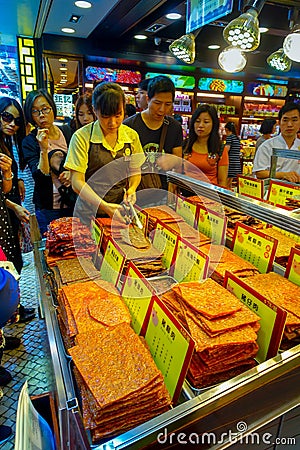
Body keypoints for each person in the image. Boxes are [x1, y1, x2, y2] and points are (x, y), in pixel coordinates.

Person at [64, 81, 145, 225]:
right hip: (88, 214)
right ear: (95, 110)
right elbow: (77, 182)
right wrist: (105, 206)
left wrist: (132, 189)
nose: (113, 123)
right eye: (106, 116)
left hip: (119, 210)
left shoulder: (131, 136)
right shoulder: (82, 137)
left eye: (118, 115)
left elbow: (135, 170)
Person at [0, 97, 35, 322]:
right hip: (4, 214)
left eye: (16, 120)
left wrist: (11, 176)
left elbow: (5, 185)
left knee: (12, 262)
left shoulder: (6, 141)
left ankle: (13, 312)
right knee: (6, 269)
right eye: (6, 117)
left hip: (5, 213)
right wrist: (13, 206)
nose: (12, 123)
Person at [22, 89, 74, 234]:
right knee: (51, 249)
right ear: (30, 116)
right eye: (35, 111)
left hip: (73, 202)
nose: (42, 115)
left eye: (45, 109)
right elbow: (39, 175)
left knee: (75, 246)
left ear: (52, 108)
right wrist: (43, 149)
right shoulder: (30, 141)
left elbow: (79, 163)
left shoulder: (67, 131)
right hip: (48, 208)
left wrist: (72, 173)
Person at [124, 75, 183, 198]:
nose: (162, 109)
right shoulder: (129, 126)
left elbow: (179, 163)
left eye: (168, 104)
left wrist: (174, 160)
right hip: (133, 195)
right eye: (157, 103)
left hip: (162, 195)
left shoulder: (174, 127)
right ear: (147, 98)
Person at [183, 104, 228, 188]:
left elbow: (222, 181)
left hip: (209, 197)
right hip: (186, 196)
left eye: (206, 122)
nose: (200, 125)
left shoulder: (220, 149)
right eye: (197, 121)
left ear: (214, 124)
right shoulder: (185, 145)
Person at [253, 103, 300, 182]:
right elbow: (260, 173)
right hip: (272, 190)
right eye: (285, 120)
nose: (289, 124)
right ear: (279, 122)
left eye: (294, 120)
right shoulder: (267, 145)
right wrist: (283, 175)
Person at [224, 121, 241, 188]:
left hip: (230, 162)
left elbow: (226, 149)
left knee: (226, 182)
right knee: (230, 182)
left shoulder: (229, 137)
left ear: (227, 129)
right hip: (236, 162)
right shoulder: (237, 138)